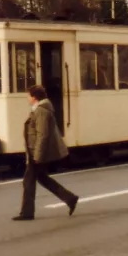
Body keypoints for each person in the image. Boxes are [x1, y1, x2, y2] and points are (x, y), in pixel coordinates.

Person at [14, 85, 79, 221]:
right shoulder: (39, 110)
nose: (27, 98)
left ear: (34, 97)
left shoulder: (41, 111)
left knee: (28, 182)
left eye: (28, 96)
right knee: (42, 178)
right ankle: (70, 198)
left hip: (36, 153)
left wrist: (37, 155)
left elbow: (42, 135)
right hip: (35, 152)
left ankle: (27, 213)